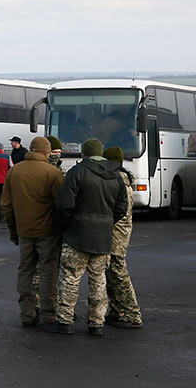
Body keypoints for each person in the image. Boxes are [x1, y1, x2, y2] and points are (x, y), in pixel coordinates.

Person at [43, 138, 127, 336]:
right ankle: (96, 323)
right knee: (98, 281)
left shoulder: (77, 172)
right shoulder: (115, 175)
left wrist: (66, 226)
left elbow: (65, 205)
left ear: (84, 153)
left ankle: (65, 321)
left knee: (70, 279)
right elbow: (121, 207)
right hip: (102, 237)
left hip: (77, 236)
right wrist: (106, 222)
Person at [1, 137, 64, 327]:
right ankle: (48, 315)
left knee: (25, 272)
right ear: (47, 152)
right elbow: (60, 205)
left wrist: (14, 231)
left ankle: (27, 314)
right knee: (48, 273)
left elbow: (6, 206)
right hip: (47, 232)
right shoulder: (53, 173)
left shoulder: (14, 172)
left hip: (24, 231)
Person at [102, 146, 143, 329]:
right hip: (121, 232)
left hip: (116, 233)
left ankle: (132, 313)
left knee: (118, 273)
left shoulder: (118, 181)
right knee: (111, 273)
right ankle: (117, 311)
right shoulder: (124, 179)